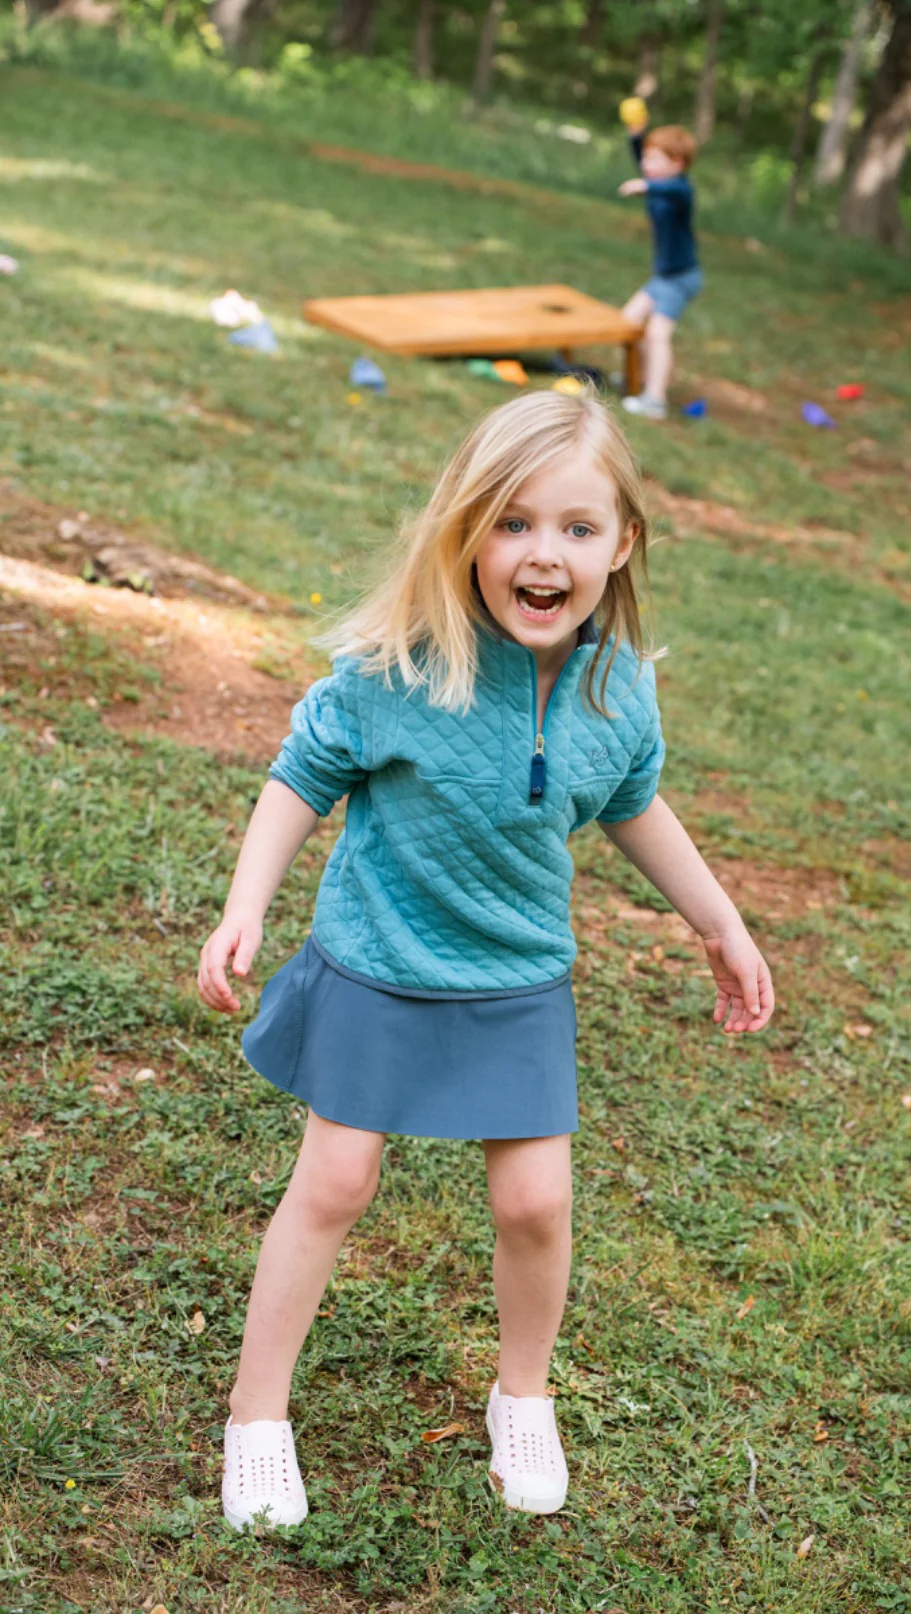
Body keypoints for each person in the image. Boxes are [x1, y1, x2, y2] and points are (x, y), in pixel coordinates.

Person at [197, 389, 774, 1530]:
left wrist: (718, 922)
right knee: (335, 1182)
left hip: (516, 980)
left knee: (536, 1201)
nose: (542, 553)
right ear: (464, 533)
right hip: (380, 959)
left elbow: (635, 807)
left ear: (622, 545)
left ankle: (524, 1396)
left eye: (574, 527)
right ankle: (256, 1416)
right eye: (510, 524)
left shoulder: (619, 690)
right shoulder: (399, 666)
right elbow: (302, 775)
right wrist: (244, 905)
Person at [617, 120, 702, 422]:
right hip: (662, 277)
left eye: (653, 160)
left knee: (657, 334)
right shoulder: (659, 178)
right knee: (627, 323)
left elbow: (674, 189)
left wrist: (645, 185)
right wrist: (636, 136)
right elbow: (647, 162)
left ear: (677, 163)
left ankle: (655, 400)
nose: (644, 164)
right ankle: (634, 376)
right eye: (646, 158)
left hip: (680, 279)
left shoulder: (680, 190)